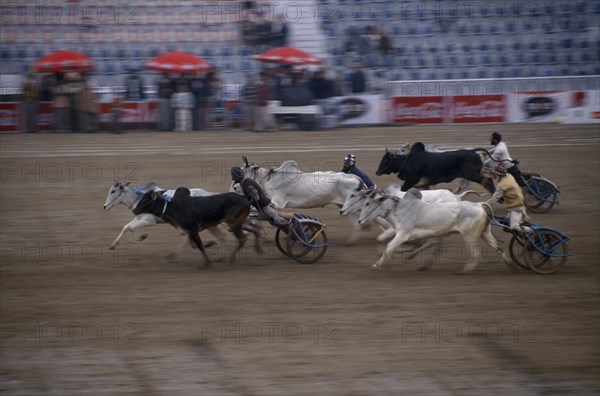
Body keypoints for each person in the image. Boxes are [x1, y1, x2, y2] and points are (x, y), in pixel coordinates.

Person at [483, 163, 532, 233]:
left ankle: (533, 231)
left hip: (516, 208)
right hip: (516, 205)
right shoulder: (509, 176)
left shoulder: (502, 185)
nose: (492, 176)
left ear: (498, 175)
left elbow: (494, 199)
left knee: (514, 227)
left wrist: (483, 206)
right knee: (505, 225)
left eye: (493, 175)